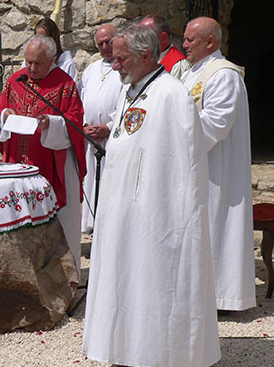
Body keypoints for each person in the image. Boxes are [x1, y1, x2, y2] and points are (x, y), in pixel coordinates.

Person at [82, 23, 220, 367]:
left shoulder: (172, 95)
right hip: (121, 212)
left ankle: (158, 352)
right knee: (125, 279)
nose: (115, 66)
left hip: (156, 215)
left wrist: (169, 215)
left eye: (121, 58)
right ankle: (125, 347)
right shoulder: (132, 91)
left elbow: (182, 163)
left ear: (145, 56)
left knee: (153, 282)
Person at [0, 35, 86, 273]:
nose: (31, 68)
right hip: (18, 165)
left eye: (37, 63)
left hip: (50, 166)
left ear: (52, 60)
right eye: (28, 62)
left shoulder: (64, 85)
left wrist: (51, 124)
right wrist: (5, 114)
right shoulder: (16, 80)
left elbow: (74, 121)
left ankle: (64, 279)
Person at [182, 16, 255, 312]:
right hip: (199, 167)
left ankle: (221, 298)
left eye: (190, 39)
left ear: (209, 42)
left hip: (218, 169)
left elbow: (215, 124)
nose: (183, 44)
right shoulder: (194, 73)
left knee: (218, 225)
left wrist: (175, 128)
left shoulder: (223, 75)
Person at [77, 24, 122, 233]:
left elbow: (128, 101)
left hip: (114, 138)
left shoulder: (125, 67)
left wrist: (109, 126)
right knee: (93, 184)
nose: (104, 47)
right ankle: (93, 226)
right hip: (91, 140)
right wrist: (84, 126)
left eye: (109, 42)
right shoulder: (91, 69)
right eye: (100, 43)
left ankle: (109, 229)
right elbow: (81, 99)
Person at [141, 14, 192, 79]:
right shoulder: (144, 60)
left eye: (145, 36)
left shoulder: (178, 66)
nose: (140, 41)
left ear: (163, 37)